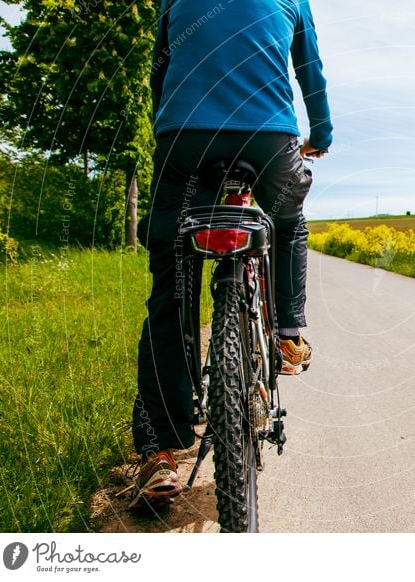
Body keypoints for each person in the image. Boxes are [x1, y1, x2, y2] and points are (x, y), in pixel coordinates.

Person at [129, 0, 332, 509]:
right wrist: (321, 136)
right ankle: (288, 335)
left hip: (185, 136)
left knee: (171, 279)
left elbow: (161, 67)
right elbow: (310, 70)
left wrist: (168, 123)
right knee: (287, 221)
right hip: (270, 137)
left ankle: (160, 454)